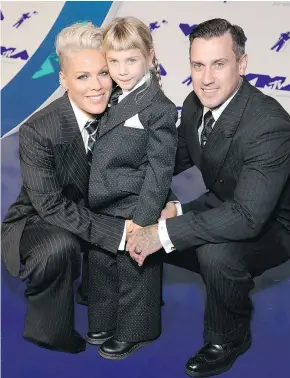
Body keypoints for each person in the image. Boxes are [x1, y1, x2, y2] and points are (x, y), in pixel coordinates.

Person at [127, 18, 290, 377]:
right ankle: (125, 298)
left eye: (219, 64)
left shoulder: (270, 124)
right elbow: (170, 161)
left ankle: (228, 337)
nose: (206, 78)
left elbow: (248, 217)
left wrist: (163, 232)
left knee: (214, 252)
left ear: (242, 65)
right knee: (139, 205)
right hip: (225, 201)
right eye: (198, 65)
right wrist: (129, 183)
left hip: (274, 224)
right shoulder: (194, 103)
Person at [1, 22, 133, 354]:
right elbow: (50, 207)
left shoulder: (122, 108)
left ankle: (100, 291)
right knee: (59, 246)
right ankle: (49, 331)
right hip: (39, 221)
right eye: (83, 77)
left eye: (103, 73)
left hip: (94, 209)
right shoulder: (39, 129)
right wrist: (120, 234)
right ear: (63, 80)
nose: (97, 86)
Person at [86, 16, 178, 360]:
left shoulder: (159, 108)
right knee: (100, 263)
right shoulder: (109, 97)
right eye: (114, 61)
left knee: (134, 266)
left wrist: (144, 219)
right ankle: (106, 320)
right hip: (103, 201)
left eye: (131, 59)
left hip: (134, 202)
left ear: (150, 57)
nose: (122, 70)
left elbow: (159, 169)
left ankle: (138, 328)